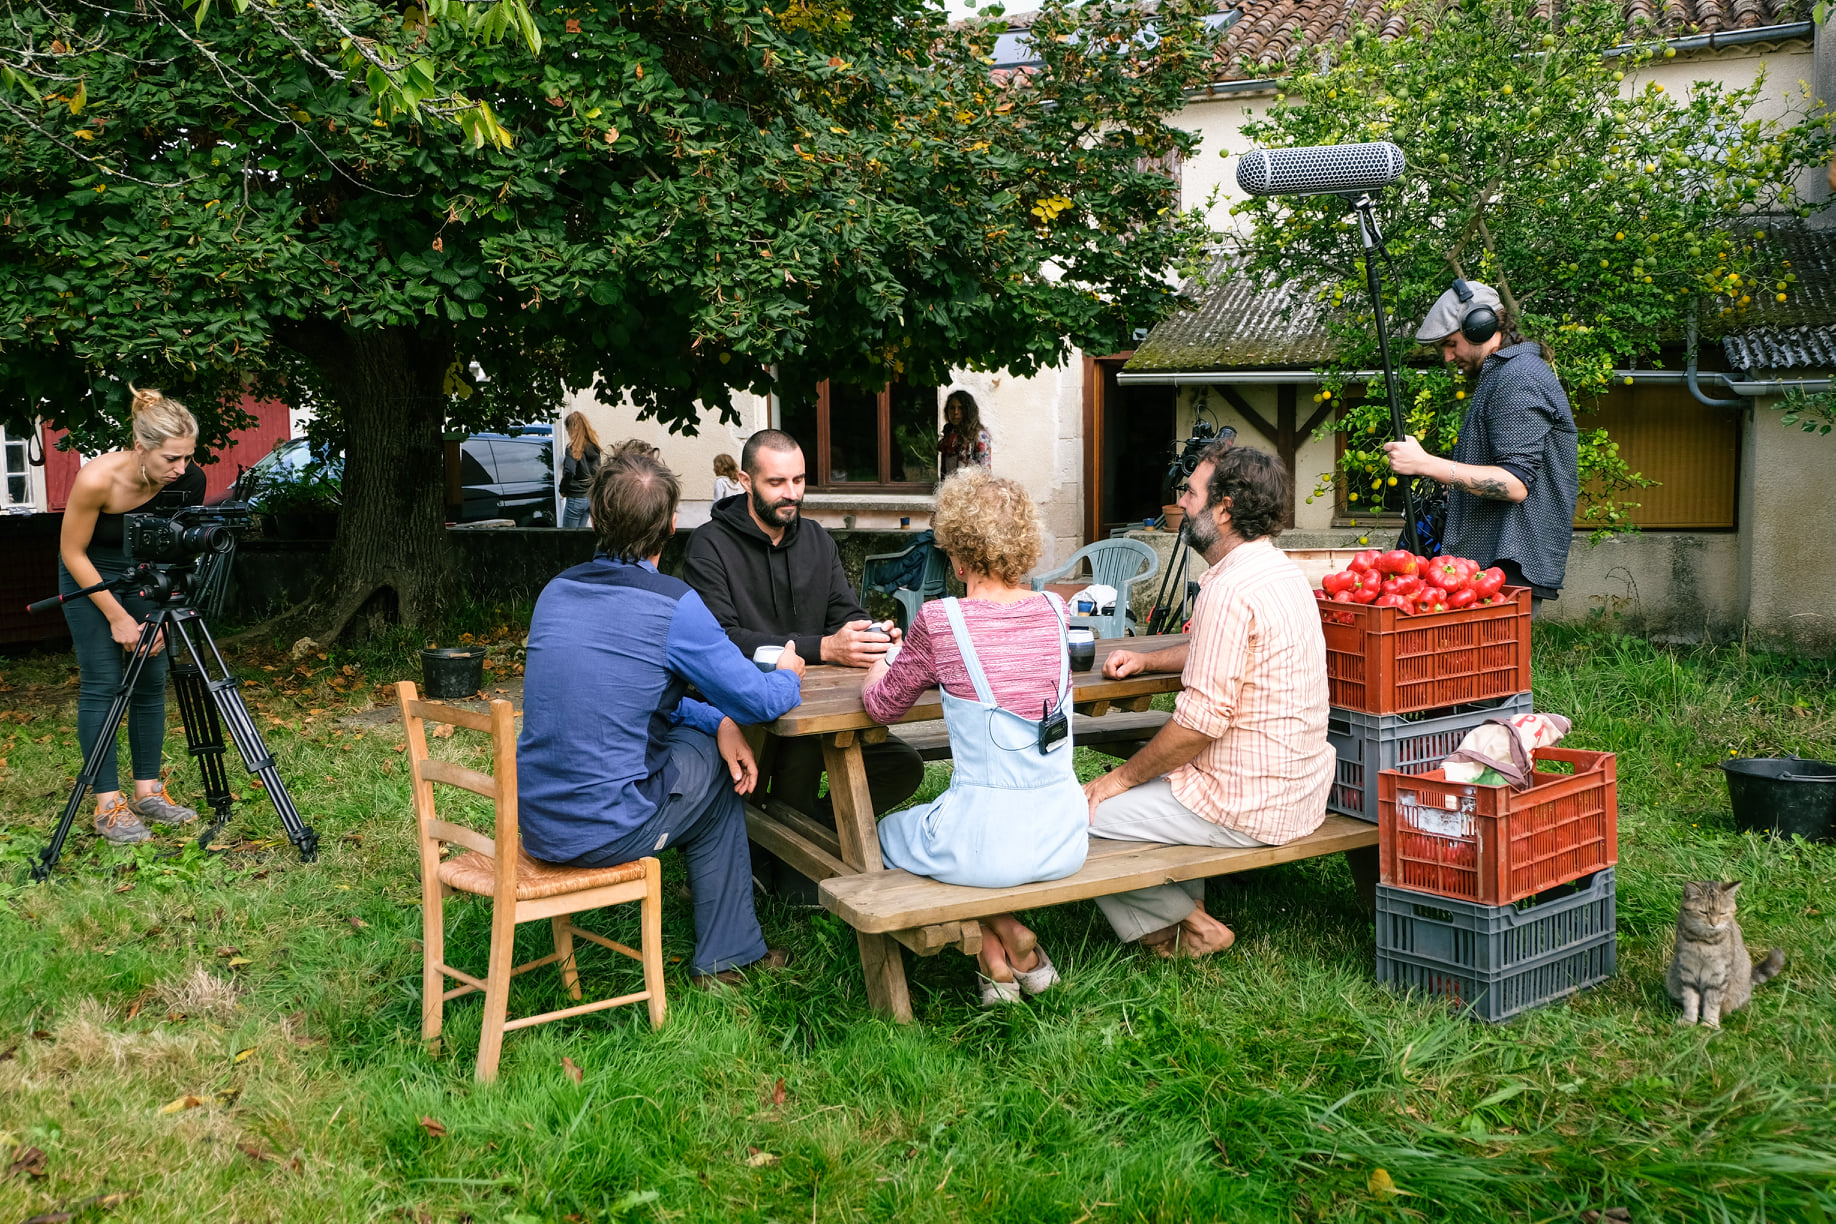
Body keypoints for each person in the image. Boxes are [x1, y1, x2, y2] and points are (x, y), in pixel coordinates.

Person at [517, 448, 807, 987]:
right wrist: (788, 671)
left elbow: (639, 702)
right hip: (604, 831)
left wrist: (718, 724)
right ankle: (728, 958)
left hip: (538, 825)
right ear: (671, 525)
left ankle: (718, 918)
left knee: (702, 744)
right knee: (718, 773)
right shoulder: (674, 605)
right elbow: (760, 702)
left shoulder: (555, 592)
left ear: (597, 519)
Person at [1081, 445, 1335, 958]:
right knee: (1133, 794)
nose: (1182, 502)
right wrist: (1150, 661)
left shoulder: (1229, 589)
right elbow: (1221, 649)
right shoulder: (1280, 573)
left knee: (1071, 816)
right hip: (1298, 793)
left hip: (1244, 806)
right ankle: (1176, 916)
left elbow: (1199, 724)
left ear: (1223, 509)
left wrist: (1114, 781)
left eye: (1191, 493)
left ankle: (1186, 928)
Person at [863, 468, 1085, 1005]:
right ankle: (1000, 940)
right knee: (961, 847)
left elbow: (882, 707)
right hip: (1064, 833)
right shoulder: (1056, 610)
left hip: (985, 838)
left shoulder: (941, 621)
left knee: (885, 836)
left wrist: (876, 667)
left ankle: (993, 941)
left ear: (955, 553)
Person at [683, 430, 925, 870]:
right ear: (744, 479)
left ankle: (800, 835)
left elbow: (845, 614)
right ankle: (792, 871)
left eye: (799, 480)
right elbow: (720, 638)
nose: (791, 494)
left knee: (903, 767)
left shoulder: (816, 539)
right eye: (777, 483)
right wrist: (827, 648)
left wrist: (874, 635)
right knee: (804, 749)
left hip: (819, 706)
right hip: (749, 711)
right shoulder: (708, 545)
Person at [56, 386, 204, 845]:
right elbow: (71, 551)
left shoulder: (188, 479)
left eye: (187, 457)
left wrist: (158, 613)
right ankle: (107, 804)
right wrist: (119, 619)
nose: (181, 469)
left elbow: (176, 550)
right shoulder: (98, 479)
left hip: (146, 574)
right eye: (171, 459)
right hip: (90, 575)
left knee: (150, 676)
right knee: (103, 681)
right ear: (141, 448)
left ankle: (147, 791)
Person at [1381, 279, 1580, 609]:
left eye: (1450, 343)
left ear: (1480, 326)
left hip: (1509, 565)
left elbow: (1514, 484)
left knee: (1493, 663)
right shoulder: (1504, 375)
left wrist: (1424, 464)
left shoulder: (1520, 377)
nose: (1447, 357)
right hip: (1491, 562)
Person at [558, 412, 601, 529]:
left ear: (571, 428)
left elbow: (569, 471)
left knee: (568, 537)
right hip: (590, 498)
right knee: (580, 537)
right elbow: (598, 472)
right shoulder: (594, 447)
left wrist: (562, 489)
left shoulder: (572, 448)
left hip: (576, 497)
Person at [937, 390, 991, 478]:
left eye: (960, 408)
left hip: (970, 489)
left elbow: (985, 474)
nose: (956, 412)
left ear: (968, 411)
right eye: (952, 408)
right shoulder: (949, 433)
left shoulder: (980, 435)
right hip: (950, 489)